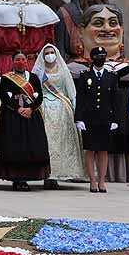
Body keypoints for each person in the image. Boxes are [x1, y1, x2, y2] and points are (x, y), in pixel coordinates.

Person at [0, 50, 51, 191]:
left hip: (31, 116)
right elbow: (4, 97)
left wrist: (30, 108)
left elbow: (39, 96)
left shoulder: (33, 78)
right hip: (12, 116)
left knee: (30, 146)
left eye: (23, 59)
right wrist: (18, 108)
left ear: (27, 61)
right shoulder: (6, 78)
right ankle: (16, 178)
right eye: (17, 59)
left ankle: (27, 178)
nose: (20, 62)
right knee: (14, 146)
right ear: (13, 61)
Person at [32, 44, 85, 188]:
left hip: (62, 107)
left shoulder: (63, 70)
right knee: (47, 142)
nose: (50, 55)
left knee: (62, 142)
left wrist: (75, 110)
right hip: (44, 107)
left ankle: (61, 173)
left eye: (52, 52)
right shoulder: (38, 72)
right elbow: (34, 90)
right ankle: (47, 175)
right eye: (47, 53)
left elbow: (71, 91)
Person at [74, 46, 120, 193]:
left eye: (103, 55)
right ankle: (92, 180)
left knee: (103, 150)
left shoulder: (111, 77)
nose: (100, 58)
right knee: (90, 150)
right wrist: (78, 118)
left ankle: (102, 181)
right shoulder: (84, 76)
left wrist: (115, 119)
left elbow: (115, 100)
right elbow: (80, 98)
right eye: (97, 56)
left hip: (105, 118)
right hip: (89, 118)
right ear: (92, 58)